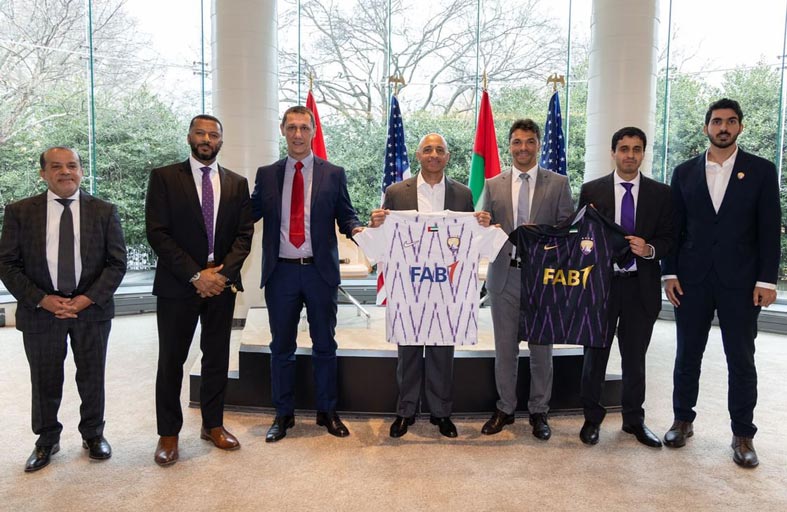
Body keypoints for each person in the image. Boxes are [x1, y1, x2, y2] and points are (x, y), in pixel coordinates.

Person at [662, 98, 781, 468]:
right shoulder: (684, 172)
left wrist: (767, 279)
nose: (723, 127)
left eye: (730, 121)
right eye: (717, 121)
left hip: (741, 282)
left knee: (741, 359)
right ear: (706, 128)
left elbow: (769, 230)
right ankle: (682, 420)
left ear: (740, 127)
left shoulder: (761, 170)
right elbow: (674, 228)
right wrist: (669, 273)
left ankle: (743, 433)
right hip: (691, 281)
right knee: (687, 354)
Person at [0, 147, 127, 472]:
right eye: (56, 167)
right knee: (44, 378)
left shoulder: (104, 211)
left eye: (72, 165)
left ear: (82, 171)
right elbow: (8, 264)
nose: (65, 172)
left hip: (91, 310)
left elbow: (116, 263)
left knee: (92, 375)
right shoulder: (19, 212)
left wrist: (87, 299)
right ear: (43, 173)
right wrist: (42, 299)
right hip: (41, 310)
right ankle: (46, 440)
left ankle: (93, 434)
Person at [251, 106, 364, 442]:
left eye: (304, 127)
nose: (298, 134)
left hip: (319, 273)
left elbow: (346, 215)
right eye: (292, 128)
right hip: (281, 274)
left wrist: (360, 230)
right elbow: (248, 214)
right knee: (281, 347)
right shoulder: (267, 174)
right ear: (283, 131)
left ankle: (327, 411)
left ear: (314, 131)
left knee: (325, 345)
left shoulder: (333, 173)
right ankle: (283, 414)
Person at [146, 114, 254, 466]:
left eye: (213, 134)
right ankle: (168, 434)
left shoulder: (237, 183)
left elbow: (244, 235)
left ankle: (213, 425)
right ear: (189, 137)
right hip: (178, 284)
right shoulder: (164, 178)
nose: (207, 139)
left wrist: (221, 276)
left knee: (217, 357)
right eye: (200, 133)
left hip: (221, 284)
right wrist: (196, 275)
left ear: (221, 140)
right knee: (171, 360)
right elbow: (157, 233)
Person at [368, 133, 491, 438]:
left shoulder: (463, 194)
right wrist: (375, 223)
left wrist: (482, 224)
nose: (433, 154)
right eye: (427, 149)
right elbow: (385, 236)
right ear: (418, 155)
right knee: (408, 349)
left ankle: (441, 412)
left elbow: (467, 238)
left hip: (446, 285)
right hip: (409, 285)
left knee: (442, 350)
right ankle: (405, 411)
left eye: (439, 150)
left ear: (447, 156)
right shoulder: (396, 192)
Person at [577, 127, 673, 448]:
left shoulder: (661, 194)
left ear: (643, 153)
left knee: (635, 359)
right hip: (601, 288)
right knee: (594, 357)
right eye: (624, 148)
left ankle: (634, 420)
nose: (630, 155)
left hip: (639, 287)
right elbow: (581, 237)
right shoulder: (592, 191)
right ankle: (592, 418)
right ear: (613, 152)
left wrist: (649, 249)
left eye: (636, 149)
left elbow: (671, 238)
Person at [479, 119, 574, 439]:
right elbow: (484, 228)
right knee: (505, 349)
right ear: (509, 146)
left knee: (541, 350)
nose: (523, 148)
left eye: (530, 141)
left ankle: (539, 411)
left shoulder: (558, 183)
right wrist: (484, 223)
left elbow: (567, 230)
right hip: (504, 277)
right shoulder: (493, 184)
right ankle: (505, 408)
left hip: (543, 280)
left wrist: (545, 239)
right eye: (517, 142)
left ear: (539, 144)